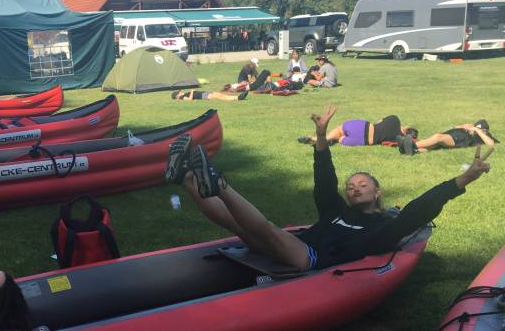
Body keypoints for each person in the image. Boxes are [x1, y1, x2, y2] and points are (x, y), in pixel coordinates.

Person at [164, 105, 492, 272]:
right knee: (233, 223)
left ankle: (218, 183)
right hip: (295, 246)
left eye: (362, 185)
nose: (354, 188)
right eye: (351, 186)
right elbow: (324, 180)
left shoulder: (383, 228)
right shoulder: (336, 210)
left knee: (267, 228)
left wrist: (463, 180)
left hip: (311, 260)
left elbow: (420, 209)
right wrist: (322, 137)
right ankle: (187, 177)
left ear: (378, 192)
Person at [298, 114, 417, 147]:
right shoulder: (397, 139)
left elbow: (378, 122)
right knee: (340, 138)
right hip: (364, 141)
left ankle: (318, 138)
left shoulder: (394, 119)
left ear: (406, 128)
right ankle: (329, 140)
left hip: (364, 127)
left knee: (340, 130)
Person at [400, 119, 498, 155]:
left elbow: (491, 144)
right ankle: (412, 151)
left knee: (438, 137)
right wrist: (464, 126)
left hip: (460, 138)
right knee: (433, 145)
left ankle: (409, 145)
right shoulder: (470, 128)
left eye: (483, 130)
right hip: (454, 134)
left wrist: (477, 130)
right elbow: (455, 127)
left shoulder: (486, 135)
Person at [171, 89, 249, 102]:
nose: (180, 92)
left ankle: (238, 97)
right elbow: (190, 99)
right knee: (220, 97)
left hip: (204, 93)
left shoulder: (183, 95)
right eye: (178, 93)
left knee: (220, 94)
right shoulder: (182, 98)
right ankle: (238, 98)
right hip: (203, 96)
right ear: (177, 96)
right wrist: (191, 92)